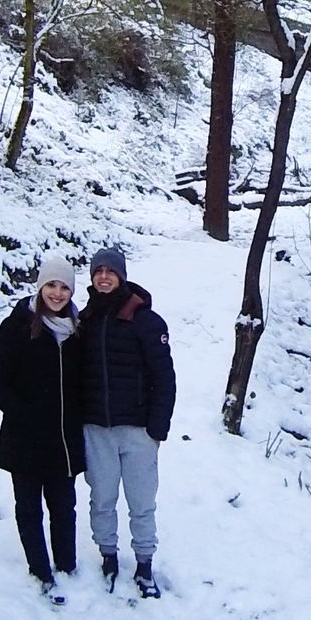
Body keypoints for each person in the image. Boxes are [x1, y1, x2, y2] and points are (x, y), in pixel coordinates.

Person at [0, 255, 85, 602]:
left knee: (63, 506)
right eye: (51, 285)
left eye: (64, 287)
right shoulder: (17, 325)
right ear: (41, 287)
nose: (57, 293)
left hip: (63, 440)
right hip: (24, 438)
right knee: (29, 508)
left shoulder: (77, 329)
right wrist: (23, 414)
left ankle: (67, 565)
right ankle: (41, 571)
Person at [78, 246, 176, 598]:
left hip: (137, 430)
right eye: (98, 271)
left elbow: (164, 377)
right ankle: (108, 556)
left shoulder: (145, 320)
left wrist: (157, 429)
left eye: (110, 271)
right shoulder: (84, 320)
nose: (104, 277)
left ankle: (145, 563)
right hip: (96, 428)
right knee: (101, 498)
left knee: (141, 501)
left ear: (121, 275)